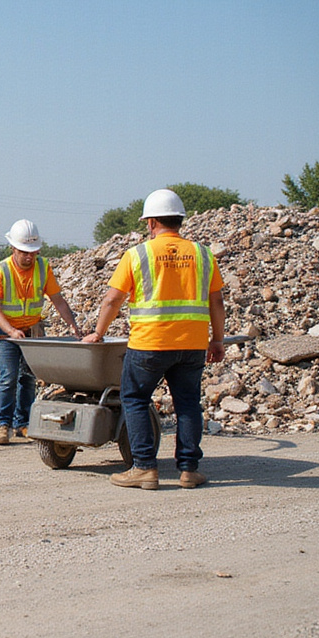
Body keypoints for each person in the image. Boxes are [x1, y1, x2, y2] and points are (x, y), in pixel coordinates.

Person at [82, 189, 225, 490]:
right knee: (188, 404)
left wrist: (98, 332)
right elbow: (217, 303)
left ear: (150, 223)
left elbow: (112, 300)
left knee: (134, 400)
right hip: (192, 344)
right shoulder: (203, 255)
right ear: (180, 221)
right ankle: (188, 470)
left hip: (149, 343)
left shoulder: (138, 254)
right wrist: (218, 340)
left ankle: (145, 468)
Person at [0, 219, 83, 445]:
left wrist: (73, 326)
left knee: (28, 378)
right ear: (13, 249)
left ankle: (23, 424)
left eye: (33, 252)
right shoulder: (0, 270)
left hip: (32, 330)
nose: (30, 257)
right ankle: (3, 426)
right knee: (8, 376)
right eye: (25, 253)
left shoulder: (43, 267)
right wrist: (10, 330)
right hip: (3, 333)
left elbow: (57, 300)